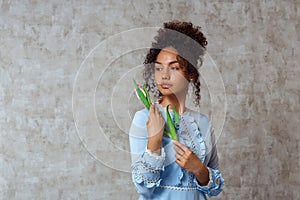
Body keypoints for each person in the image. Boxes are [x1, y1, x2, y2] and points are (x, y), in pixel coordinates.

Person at [129, 21, 224, 200]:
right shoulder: (144, 118)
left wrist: (199, 169)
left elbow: (214, 189)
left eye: (174, 67)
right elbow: (143, 188)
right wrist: (154, 141)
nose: (164, 75)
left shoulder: (203, 122)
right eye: (158, 68)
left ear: (191, 73)